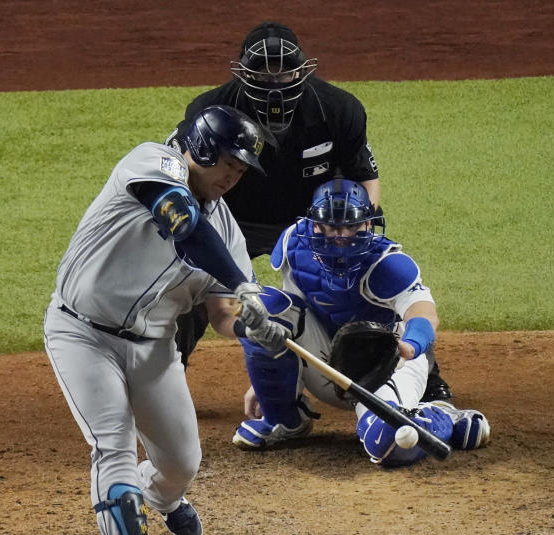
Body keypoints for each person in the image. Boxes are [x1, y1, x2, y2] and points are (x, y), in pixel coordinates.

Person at [42, 105, 288, 535]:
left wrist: (252, 325)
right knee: (112, 445)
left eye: (241, 171)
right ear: (198, 148)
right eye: (227, 163)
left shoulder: (227, 231)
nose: (232, 177)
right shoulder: (151, 165)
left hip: (153, 348)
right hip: (82, 334)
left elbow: (223, 313)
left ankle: (161, 495)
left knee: (181, 462)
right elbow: (183, 225)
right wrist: (245, 284)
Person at [166, 20, 453, 401]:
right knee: (191, 284)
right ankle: (168, 374)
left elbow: (365, 179)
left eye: (283, 70)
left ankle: (420, 373)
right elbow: (185, 172)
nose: (274, 82)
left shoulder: (338, 109)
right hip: (230, 217)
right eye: (264, 72)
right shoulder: (211, 110)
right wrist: (200, 231)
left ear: (302, 70)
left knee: (367, 284)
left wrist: (351, 233)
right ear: (244, 73)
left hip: (312, 222)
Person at [233, 178, 491, 466]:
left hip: (384, 366)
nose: (340, 237)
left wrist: (409, 346)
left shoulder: (387, 264)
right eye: (331, 227)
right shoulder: (294, 243)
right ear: (314, 224)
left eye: (351, 227)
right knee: (261, 309)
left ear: (368, 225)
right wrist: (270, 377)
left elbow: (424, 312)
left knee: (386, 442)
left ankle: (439, 417)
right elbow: (293, 309)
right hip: (326, 363)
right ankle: (284, 421)